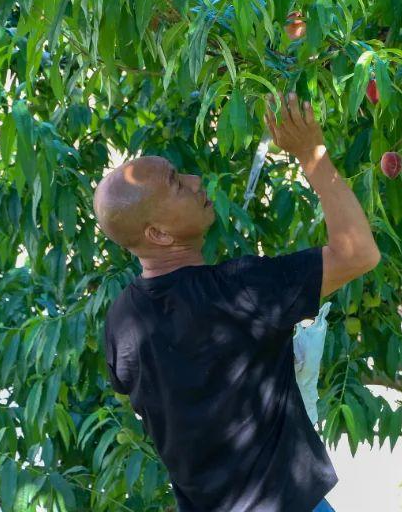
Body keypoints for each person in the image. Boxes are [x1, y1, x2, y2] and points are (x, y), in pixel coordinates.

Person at [96, 91, 381, 512]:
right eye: (177, 183)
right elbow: (358, 253)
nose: (195, 181)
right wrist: (311, 153)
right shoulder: (239, 292)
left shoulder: (120, 323)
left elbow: (141, 389)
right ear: (158, 234)